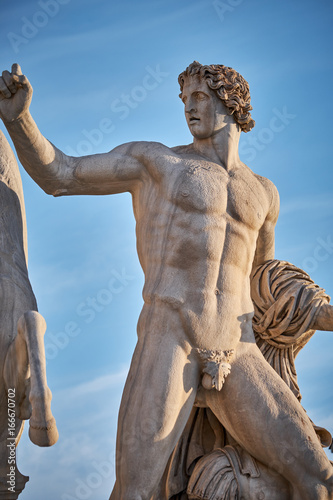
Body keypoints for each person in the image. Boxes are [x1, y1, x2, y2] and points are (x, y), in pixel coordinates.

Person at [0, 61, 332, 500]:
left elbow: (260, 282)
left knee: (318, 477)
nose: (189, 109)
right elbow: (61, 174)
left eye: (199, 98)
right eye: (184, 101)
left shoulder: (263, 193)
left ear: (231, 103)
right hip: (170, 338)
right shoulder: (158, 162)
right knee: (135, 491)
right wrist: (19, 119)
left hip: (240, 350)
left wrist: (309, 309)